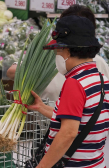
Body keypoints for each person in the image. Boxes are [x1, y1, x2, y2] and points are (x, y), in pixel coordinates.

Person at [27, 15, 109, 168]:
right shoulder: (101, 79)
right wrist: (43, 108)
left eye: (57, 51)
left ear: (67, 51)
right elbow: (83, 118)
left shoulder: (74, 82)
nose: (56, 55)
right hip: (96, 163)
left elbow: (68, 133)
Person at [6, 4, 109, 102]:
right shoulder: (47, 58)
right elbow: (11, 72)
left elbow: (68, 117)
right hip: (48, 118)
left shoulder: (97, 66)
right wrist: (37, 70)